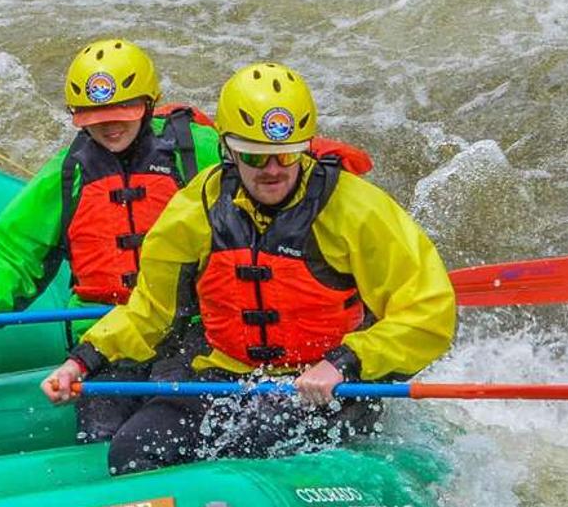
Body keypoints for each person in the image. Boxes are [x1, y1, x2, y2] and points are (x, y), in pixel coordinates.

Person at [0, 40, 370, 443]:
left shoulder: (196, 149)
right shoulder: (67, 174)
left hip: (194, 332)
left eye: (122, 112)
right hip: (104, 336)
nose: (109, 126)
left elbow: (268, 160)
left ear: (148, 103)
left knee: (171, 424)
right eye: (95, 118)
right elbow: (15, 256)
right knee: (101, 432)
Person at [39, 62, 456, 472]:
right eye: (256, 159)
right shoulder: (194, 209)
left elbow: (429, 313)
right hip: (226, 375)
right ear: (229, 151)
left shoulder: (357, 210)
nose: (273, 171)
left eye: (286, 155)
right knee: (132, 450)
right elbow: (151, 311)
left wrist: (344, 362)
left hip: (327, 385)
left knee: (252, 443)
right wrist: (83, 359)